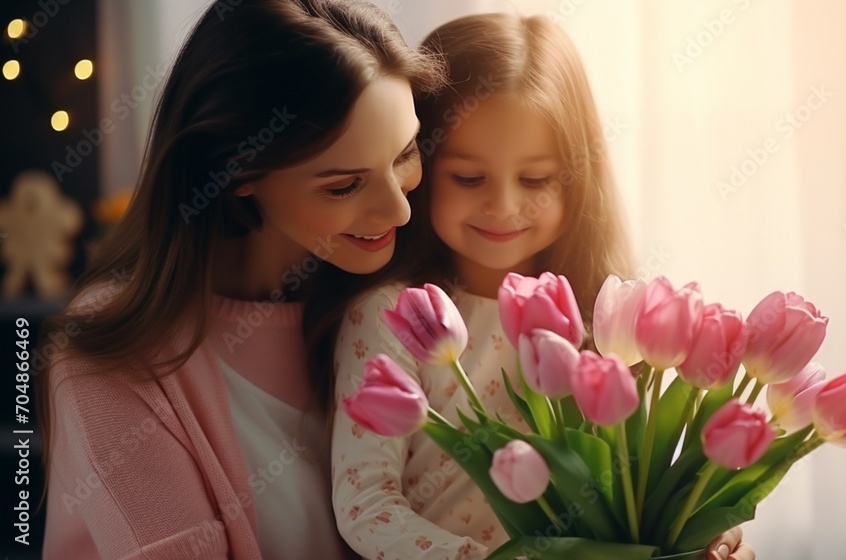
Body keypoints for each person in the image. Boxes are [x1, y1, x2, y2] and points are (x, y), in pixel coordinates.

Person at [329, 13, 754, 560]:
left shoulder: (611, 319)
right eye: (468, 177)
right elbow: (366, 503)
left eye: (535, 179)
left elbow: (642, 497)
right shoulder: (395, 317)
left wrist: (705, 537)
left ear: (577, 179)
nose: (503, 207)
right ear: (420, 167)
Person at [36, 1, 445, 558]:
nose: (398, 211)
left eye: (404, 155)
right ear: (236, 175)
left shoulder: (392, 307)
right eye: (343, 186)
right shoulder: (111, 359)